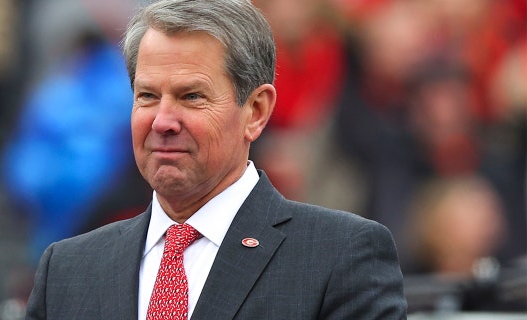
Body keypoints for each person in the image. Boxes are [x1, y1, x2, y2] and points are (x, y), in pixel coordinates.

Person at [25, 0, 408, 319]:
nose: (162, 120)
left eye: (191, 96)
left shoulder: (339, 257)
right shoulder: (66, 270)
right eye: (147, 96)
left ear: (256, 111)